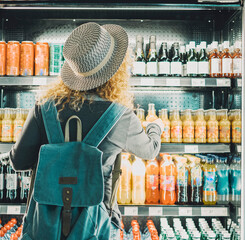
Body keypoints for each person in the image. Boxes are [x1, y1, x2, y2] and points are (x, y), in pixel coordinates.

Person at [9, 22, 164, 239]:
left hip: (45, 224)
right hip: (97, 224)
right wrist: (156, 126)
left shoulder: (43, 108)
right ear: (115, 70)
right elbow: (150, 151)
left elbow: (18, 161)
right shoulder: (120, 116)